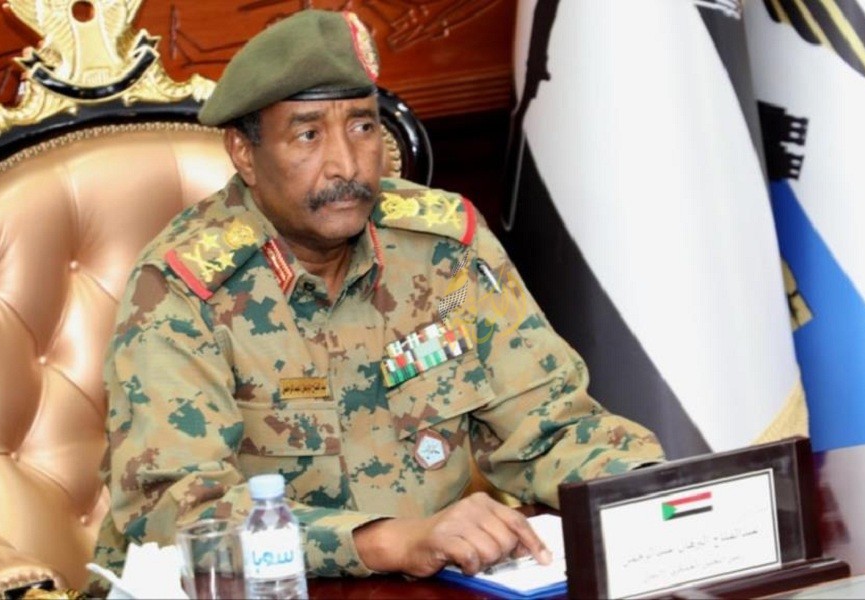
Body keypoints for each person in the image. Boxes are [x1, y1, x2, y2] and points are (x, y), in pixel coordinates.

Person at [89, 8, 663, 591]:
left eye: (362, 127)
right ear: (243, 153)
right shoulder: (184, 288)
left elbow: (551, 426)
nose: (346, 165)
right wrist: (387, 540)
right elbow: (177, 511)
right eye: (308, 135)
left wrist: (652, 491)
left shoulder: (443, 253)